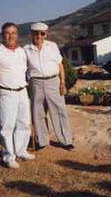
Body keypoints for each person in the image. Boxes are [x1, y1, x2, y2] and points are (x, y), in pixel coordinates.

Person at [0, 22, 35, 168]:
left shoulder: (21, 51)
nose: (11, 36)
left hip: (22, 91)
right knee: (7, 126)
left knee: (23, 122)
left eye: (13, 33)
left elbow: (25, 71)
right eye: (7, 33)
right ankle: (9, 156)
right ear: (3, 35)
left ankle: (21, 150)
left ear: (17, 34)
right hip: (7, 92)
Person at [24, 22, 74, 151]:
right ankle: (42, 140)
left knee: (59, 111)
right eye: (36, 33)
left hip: (53, 82)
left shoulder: (52, 46)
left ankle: (65, 140)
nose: (39, 36)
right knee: (38, 112)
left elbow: (60, 65)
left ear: (46, 34)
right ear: (31, 34)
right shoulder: (26, 49)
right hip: (36, 83)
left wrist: (62, 82)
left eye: (42, 33)